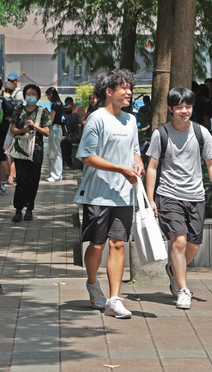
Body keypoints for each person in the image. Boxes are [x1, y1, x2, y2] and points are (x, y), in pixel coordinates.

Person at [145, 86, 212, 311]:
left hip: (196, 196)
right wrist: (150, 199)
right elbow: (152, 167)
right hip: (169, 195)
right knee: (178, 241)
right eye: (179, 107)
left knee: (193, 246)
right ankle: (183, 290)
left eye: (188, 106)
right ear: (170, 109)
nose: (184, 111)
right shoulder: (161, 134)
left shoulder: (201, 133)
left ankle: (173, 270)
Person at [75, 69, 144, 319]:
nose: (129, 92)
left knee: (118, 243)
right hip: (98, 194)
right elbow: (87, 156)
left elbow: (135, 150)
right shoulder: (96, 118)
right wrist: (120, 169)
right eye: (124, 88)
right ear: (109, 91)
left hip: (124, 194)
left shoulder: (131, 120)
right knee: (97, 245)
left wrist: (137, 164)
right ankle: (93, 283)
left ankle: (114, 299)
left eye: (130, 88)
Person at [8, 84, 51, 222]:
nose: (30, 96)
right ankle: (18, 209)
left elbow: (47, 132)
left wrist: (34, 126)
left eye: (33, 94)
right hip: (21, 150)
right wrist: (23, 130)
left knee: (33, 180)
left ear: (38, 96)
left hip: (36, 150)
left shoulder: (43, 112)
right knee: (21, 179)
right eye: (28, 94)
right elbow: (12, 129)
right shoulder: (18, 110)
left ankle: (29, 209)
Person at [45, 87, 65, 182]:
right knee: (57, 152)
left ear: (51, 95)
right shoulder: (60, 104)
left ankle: (55, 175)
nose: (48, 98)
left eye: (48, 96)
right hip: (58, 128)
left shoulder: (54, 105)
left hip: (54, 128)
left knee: (54, 152)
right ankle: (57, 174)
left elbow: (51, 120)